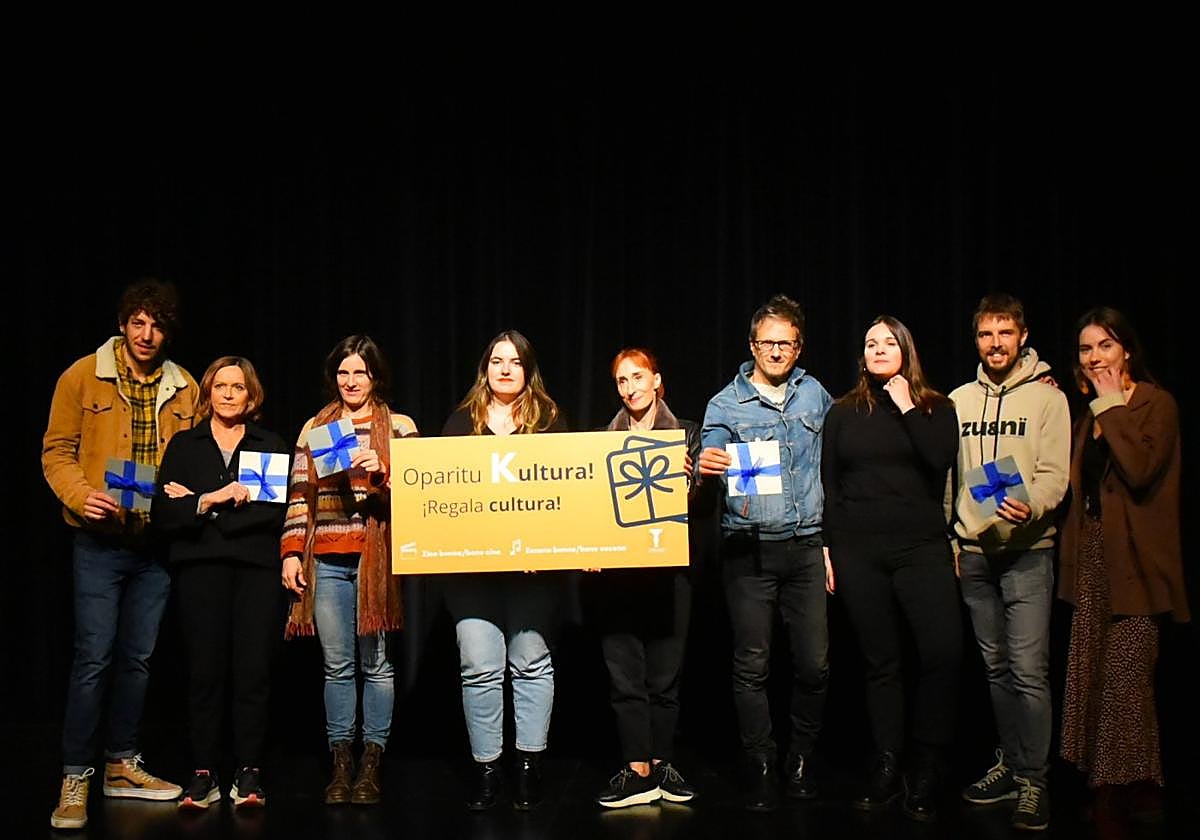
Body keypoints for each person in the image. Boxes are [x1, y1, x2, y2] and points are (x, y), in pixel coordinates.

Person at [42, 279, 197, 829]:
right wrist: (84, 498)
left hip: (155, 545)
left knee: (138, 659)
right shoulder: (83, 375)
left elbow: (194, 460)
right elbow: (56, 451)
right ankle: (76, 773)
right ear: (123, 323)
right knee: (94, 659)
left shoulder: (185, 388)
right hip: (100, 543)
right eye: (138, 322)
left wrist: (188, 497)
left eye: (157, 324)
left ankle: (121, 763)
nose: (147, 334)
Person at [821, 315, 960, 822]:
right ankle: (886, 760)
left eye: (888, 342)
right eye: (869, 343)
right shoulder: (843, 412)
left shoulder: (936, 408)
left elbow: (939, 459)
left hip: (921, 549)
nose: (878, 349)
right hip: (860, 552)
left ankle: (929, 760)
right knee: (880, 662)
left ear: (906, 349)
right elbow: (830, 486)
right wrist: (828, 548)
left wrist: (906, 406)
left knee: (941, 653)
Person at [697, 294, 832, 812]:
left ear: (798, 347)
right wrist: (705, 463)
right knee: (752, 664)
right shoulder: (725, 404)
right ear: (752, 345)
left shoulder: (815, 395)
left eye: (787, 343)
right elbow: (705, 462)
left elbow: (837, 461)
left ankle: (800, 757)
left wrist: (829, 545)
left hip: (803, 548)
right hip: (748, 551)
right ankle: (759, 761)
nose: (777, 352)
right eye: (768, 343)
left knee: (814, 666)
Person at [1058, 307, 1186, 818]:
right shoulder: (1088, 414)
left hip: (1137, 559)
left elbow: (1138, 470)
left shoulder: (1156, 404)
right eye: (1087, 349)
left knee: (1128, 677)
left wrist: (1111, 405)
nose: (1096, 357)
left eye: (1105, 346)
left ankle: (1132, 787)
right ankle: (1111, 783)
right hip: (1092, 556)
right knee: (1092, 671)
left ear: (1126, 350)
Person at [280, 335, 418, 806]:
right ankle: (341, 762)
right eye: (343, 372)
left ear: (375, 376)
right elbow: (300, 495)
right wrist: (291, 553)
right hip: (326, 560)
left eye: (360, 372)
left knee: (377, 665)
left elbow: (421, 496)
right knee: (337, 667)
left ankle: (372, 762)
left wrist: (384, 469)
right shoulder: (314, 427)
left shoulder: (398, 426)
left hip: (374, 558)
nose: (351, 381)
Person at [950, 294, 1069, 832]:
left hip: (1027, 554)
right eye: (985, 334)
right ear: (975, 339)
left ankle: (1034, 781)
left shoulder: (1048, 399)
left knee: (1028, 672)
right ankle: (1011, 762)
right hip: (974, 556)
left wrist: (1034, 505)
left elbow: (1054, 474)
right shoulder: (958, 400)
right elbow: (950, 480)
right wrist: (953, 544)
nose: (995, 344)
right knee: (995, 670)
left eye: (1004, 333)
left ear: (1021, 336)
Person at [151, 356, 289, 809]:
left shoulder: (270, 443)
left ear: (252, 396)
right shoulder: (184, 445)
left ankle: (249, 772)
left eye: (238, 387)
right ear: (208, 392)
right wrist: (218, 497)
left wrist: (201, 507)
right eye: (221, 386)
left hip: (256, 572)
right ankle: (203, 772)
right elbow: (165, 514)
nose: (229, 394)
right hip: (199, 572)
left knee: (252, 672)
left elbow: (273, 511)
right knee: (204, 672)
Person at [441, 329, 567, 811]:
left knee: (532, 663)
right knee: (479, 668)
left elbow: (566, 498)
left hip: (532, 573)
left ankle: (530, 770)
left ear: (528, 369)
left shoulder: (550, 422)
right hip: (470, 575)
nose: (506, 369)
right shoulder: (458, 425)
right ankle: (487, 771)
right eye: (497, 361)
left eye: (515, 361)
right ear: (485, 368)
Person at [592, 348, 699, 809]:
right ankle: (635, 771)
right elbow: (591, 510)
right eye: (621, 380)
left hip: (670, 573)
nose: (631, 387)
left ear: (657, 381)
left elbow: (703, 512)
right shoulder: (600, 442)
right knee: (625, 677)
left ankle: (662, 764)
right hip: (618, 577)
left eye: (638, 377)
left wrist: (693, 484)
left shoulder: (686, 435)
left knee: (665, 676)